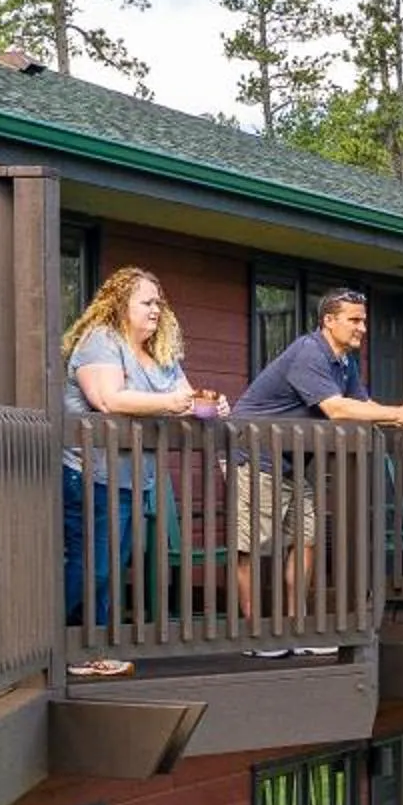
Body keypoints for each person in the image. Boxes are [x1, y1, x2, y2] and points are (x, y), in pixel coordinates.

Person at [230, 287, 403, 648]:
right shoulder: (310, 352)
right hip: (254, 455)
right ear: (329, 321)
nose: (362, 328)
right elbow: (336, 409)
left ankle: (297, 630)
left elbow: (362, 406)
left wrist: (401, 418)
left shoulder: (344, 362)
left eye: (364, 320)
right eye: (354, 320)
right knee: (254, 547)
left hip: (291, 462)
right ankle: (255, 636)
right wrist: (395, 413)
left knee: (306, 540)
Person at [62, 268, 227, 675]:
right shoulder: (101, 340)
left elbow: (186, 398)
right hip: (88, 472)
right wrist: (171, 403)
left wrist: (212, 406)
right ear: (120, 304)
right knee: (94, 565)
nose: (156, 309)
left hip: (131, 478)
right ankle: (44, 645)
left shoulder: (159, 354)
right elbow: (108, 399)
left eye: (159, 302)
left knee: (108, 567)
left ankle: (90, 650)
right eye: (147, 302)